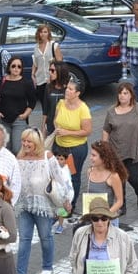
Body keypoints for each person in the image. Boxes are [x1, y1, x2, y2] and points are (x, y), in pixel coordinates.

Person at [14, 128, 66, 274]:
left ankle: (47, 268)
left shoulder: (47, 157)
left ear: (37, 142)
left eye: (29, 141)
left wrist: (64, 202)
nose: (25, 144)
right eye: (24, 140)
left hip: (43, 206)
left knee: (45, 237)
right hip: (24, 205)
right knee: (24, 240)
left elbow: (60, 179)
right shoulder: (19, 157)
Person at [103, 82, 138, 210]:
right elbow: (106, 130)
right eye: (120, 93)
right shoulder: (111, 111)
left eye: (125, 93)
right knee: (118, 179)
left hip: (133, 150)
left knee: (133, 177)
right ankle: (121, 204)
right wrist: (104, 149)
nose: (122, 96)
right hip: (116, 151)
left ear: (131, 95)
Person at [52, 79, 92, 211]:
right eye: (67, 88)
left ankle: (70, 206)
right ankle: (58, 202)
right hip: (59, 145)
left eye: (70, 89)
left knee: (72, 177)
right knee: (57, 175)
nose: (67, 91)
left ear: (77, 93)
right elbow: (55, 120)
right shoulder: (61, 103)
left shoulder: (83, 109)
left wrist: (66, 132)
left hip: (75, 149)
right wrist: (57, 128)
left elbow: (87, 131)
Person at [0, 56, 36, 152]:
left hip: (19, 120)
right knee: (5, 149)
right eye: (13, 66)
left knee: (17, 149)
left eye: (19, 67)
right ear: (9, 67)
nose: (16, 68)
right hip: (4, 119)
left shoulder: (26, 83)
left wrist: (25, 115)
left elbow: (32, 101)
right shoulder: (3, 81)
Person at [82, 141, 126, 223]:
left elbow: (119, 201)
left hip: (107, 219)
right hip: (93, 218)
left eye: (94, 155)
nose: (90, 158)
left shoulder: (113, 176)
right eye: (91, 154)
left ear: (103, 158)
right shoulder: (89, 171)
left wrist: (105, 216)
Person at [30, 24, 62, 109]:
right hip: (40, 80)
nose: (43, 34)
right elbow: (35, 63)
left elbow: (60, 64)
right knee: (44, 104)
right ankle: (46, 121)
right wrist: (33, 75)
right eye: (41, 32)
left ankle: (54, 121)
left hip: (51, 80)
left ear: (48, 33)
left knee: (53, 104)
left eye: (45, 32)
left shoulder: (54, 46)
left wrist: (53, 77)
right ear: (38, 34)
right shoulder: (36, 47)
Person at [41, 61, 70, 137]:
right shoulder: (48, 87)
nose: (50, 73)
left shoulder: (69, 88)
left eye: (53, 70)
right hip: (51, 126)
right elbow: (45, 109)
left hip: (66, 127)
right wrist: (43, 126)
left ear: (60, 71)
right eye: (49, 70)